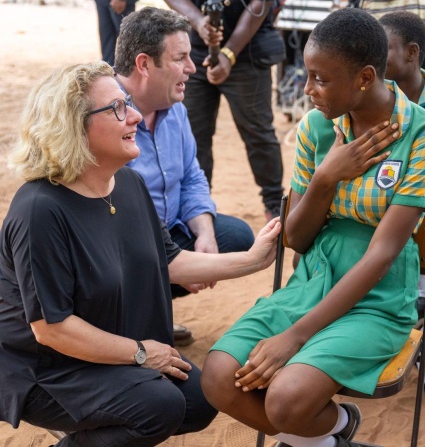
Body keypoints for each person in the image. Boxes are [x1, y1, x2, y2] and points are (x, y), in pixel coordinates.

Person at [0, 61, 282, 447]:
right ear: (73, 127)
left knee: (198, 401)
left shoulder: (127, 183)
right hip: (46, 367)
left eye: (128, 102)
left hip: (104, 348)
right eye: (117, 108)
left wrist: (256, 258)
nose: (134, 116)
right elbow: (51, 328)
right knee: (159, 404)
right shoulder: (39, 209)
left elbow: (170, 261)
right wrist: (138, 354)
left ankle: (97, 426)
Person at [201, 8, 425, 447]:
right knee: (219, 378)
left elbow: (383, 252)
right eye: (307, 75)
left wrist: (294, 337)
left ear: (365, 77)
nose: (308, 90)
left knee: (285, 400)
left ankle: (323, 432)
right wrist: (325, 177)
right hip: (313, 279)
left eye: (320, 78)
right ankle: (330, 437)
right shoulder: (318, 126)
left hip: (379, 293)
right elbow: (295, 238)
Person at [114, 6, 256, 346]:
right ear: (144, 64)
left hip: (163, 236)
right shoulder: (105, 113)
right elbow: (119, 223)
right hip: (121, 247)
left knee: (232, 235)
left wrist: (204, 235)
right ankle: (128, 324)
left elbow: (192, 175)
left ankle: (151, 310)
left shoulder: (175, 107)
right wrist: (183, 263)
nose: (191, 69)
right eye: (181, 59)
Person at [163, 0, 286, 221]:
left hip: (248, 50)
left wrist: (229, 54)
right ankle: (196, 207)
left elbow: (262, 2)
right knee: (192, 136)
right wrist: (199, 22)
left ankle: (275, 206)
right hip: (195, 51)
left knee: (257, 133)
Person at [379, 10, 425, 403]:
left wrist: (417, 212)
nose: (372, 57)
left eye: (382, 49)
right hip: (379, 204)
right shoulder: (371, 97)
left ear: (411, 52)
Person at [93, 0, 138, 66]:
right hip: (102, 1)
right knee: (107, 45)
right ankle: (108, 71)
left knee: (127, 42)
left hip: (121, 2)